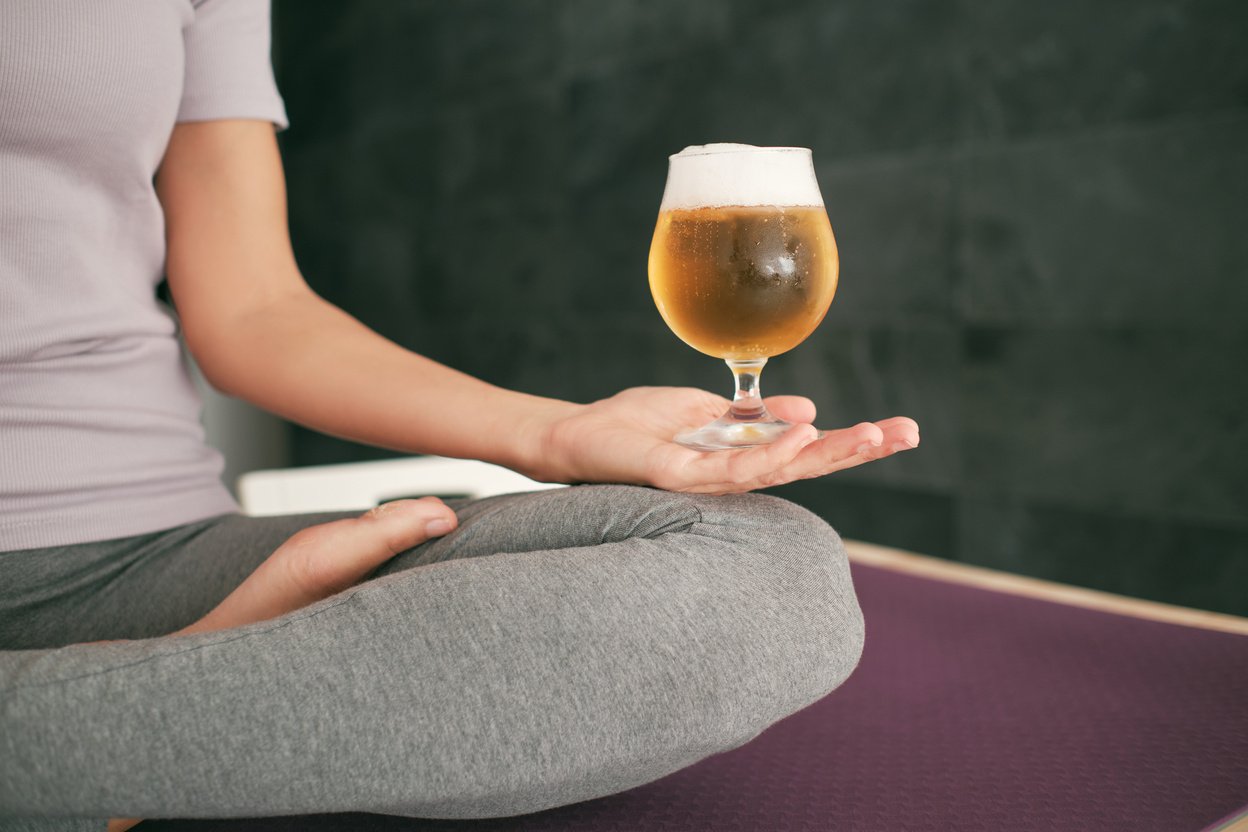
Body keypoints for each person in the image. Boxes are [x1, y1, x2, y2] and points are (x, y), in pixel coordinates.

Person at [0, 2, 919, 831]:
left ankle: (72, 745)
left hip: (146, 555)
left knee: (772, 573)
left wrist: (557, 436)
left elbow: (253, 310)